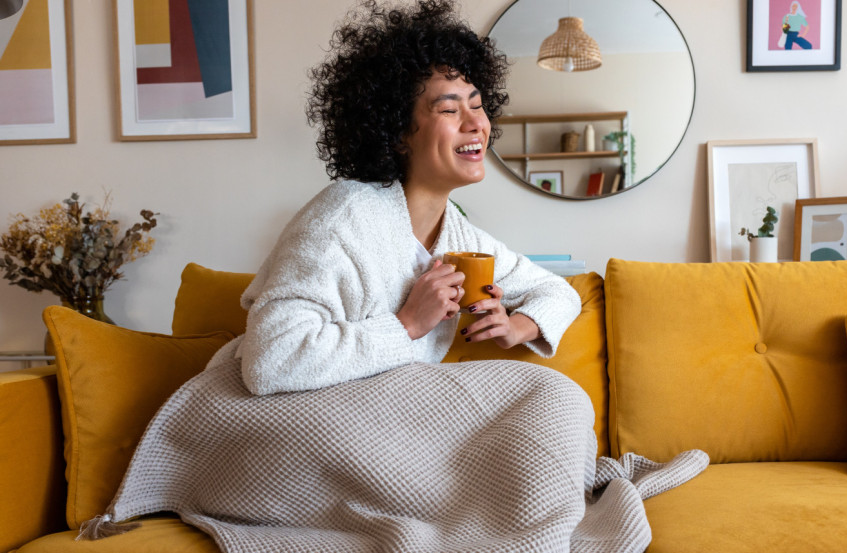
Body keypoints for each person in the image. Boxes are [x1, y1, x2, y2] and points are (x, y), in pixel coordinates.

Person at [212, 0, 582, 398]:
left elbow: (558, 291)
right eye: (449, 109)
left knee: (554, 395)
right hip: (267, 417)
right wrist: (407, 324)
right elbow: (270, 362)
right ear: (397, 134)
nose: (476, 123)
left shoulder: (462, 241)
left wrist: (517, 327)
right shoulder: (342, 217)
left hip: (377, 413)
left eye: (476, 105)